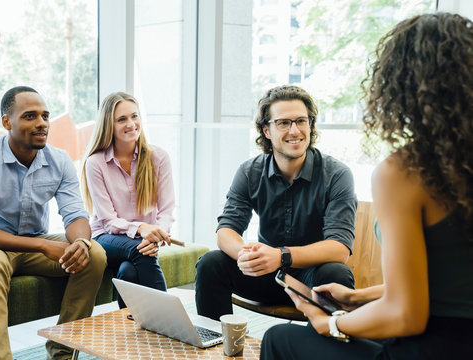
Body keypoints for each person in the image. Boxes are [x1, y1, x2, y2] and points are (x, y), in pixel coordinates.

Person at [260, 13, 473, 359]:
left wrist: (330, 323)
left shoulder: (406, 171)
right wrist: (358, 298)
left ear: (400, 87)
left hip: (434, 345)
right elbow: (451, 279)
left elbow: (407, 315)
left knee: (279, 339)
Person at [0, 86, 107, 360]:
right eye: (30, 116)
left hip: (34, 246)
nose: (42, 124)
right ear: (6, 122)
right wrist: (43, 245)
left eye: (45, 116)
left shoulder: (58, 161)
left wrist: (81, 241)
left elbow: (75, 215)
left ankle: (62, 352)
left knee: (94, 253)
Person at [195, 85, 357, 321]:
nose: (295, 130)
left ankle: (328, 349)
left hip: (311, 278)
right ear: (266, 130)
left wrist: (281, 256)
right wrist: (248, 256)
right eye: (283, 123)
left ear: (310, 125)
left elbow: (339, 248)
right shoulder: (250, 171)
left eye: (301, 121)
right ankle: (215, 344)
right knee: (211, 262)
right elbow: (226, 230)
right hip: (265, 276)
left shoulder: (337, 174)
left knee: (337, 272)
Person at [81, 92, 174, 308]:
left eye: (134, 116)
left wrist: (156, 236)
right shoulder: (96, 163)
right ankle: (169, 321)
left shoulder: (158, 158)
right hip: (105, 237)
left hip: (142, 240)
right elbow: (107, 221)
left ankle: (132, 329)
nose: (131, 124)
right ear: (109, 125)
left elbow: (167, 210)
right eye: (122, 119)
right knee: (139, 250)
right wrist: (142, 229)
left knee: (129, 271)